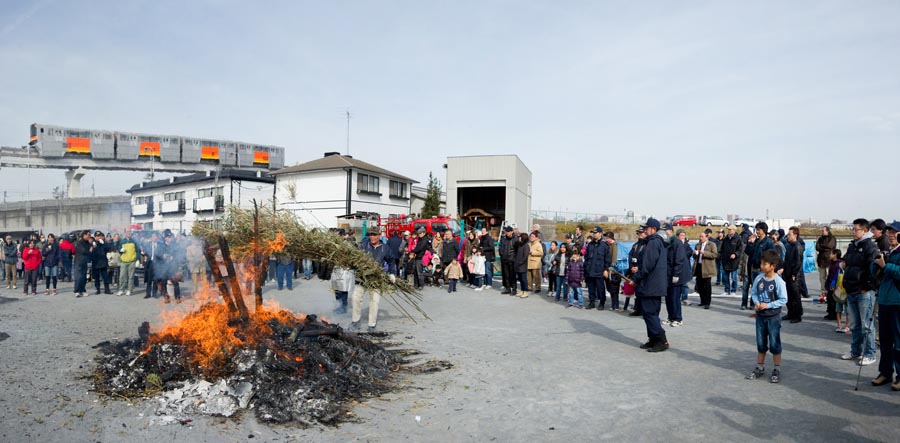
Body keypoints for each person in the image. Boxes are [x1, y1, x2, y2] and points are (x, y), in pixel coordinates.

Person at [840, 218, 880, 367]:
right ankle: (855, 350)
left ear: (865, 231)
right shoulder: (852, 246)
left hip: (863, 292)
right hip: (851, 289)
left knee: (866, 325)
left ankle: (870, 353)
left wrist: (867, 286)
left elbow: (874, 270)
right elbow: (846, 261)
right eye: (853, 229)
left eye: (856, 229)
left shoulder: (870, 246)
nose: (853, 231)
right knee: (855, 324)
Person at [746, 249, 788, 383]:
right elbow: (754, 293)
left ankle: (777, 368)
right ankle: (760, 367)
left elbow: (783, 299)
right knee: (760, 342)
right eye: (761, 264)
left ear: (773, 266)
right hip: (760, 317)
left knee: (775, 343)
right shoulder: (759, 278)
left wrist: (768, 305)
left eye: (765, 264)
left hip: (773, 317)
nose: (762, 266)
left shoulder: (779, 282)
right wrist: (757, 303)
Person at [632, 218, 669, 352]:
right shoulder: (657, 242)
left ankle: (661, 340)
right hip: (654, 284)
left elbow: (647, 265)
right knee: (651, 313)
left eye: (647, 228)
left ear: (653, 229)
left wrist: (636, 277)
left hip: (651, 285)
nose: (645, 230)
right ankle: (653, 339)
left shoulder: (653, 243)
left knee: (649, 313)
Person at [871, 221, 900, 390]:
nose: (890, 235)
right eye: (889, 232)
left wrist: (885, 265)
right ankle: (885, 372)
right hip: (884, 300)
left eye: (894, 232)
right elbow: (873, 272)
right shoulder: (886, 251)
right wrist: (875, 262)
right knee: (885, 340)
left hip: (897, 302)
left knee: (899, 340)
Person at [352, 228, 389, 332]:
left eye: (374, 234)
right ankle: (355, 321)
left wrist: (392, 274)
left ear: (379, 235)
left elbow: (391, 261)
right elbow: (354, 259)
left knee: (374, 302)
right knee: (356, 298)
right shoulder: (363, 246)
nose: (372, 237)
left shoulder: (385, 248)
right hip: (362, 278)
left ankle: (371, 325)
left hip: (376, 279)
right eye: (370, 235)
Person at [743, 222, 774, 310]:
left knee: (763, 289)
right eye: (756, 230)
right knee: (755, 288)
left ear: (763, 231)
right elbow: (748, 252)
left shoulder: (768, 242)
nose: (757, 232)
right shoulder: (756, 241)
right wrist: (750, 243)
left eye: (759, 230)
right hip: (754, 268)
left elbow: (772, 256)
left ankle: (764, 306)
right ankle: (755, 305)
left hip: (763, 270)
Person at [665, 226, 689, 327]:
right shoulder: (667, 242)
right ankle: (670, 317)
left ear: (670, 231)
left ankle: (678, 318)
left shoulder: (677, 243)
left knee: (675, 298)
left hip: (677, 275)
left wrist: (676, 274)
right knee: (668, 298)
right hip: (668, 274)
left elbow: (679, 260)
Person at [781, 227, 805, 323]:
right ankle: (790, 313)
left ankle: (797, 315)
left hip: (794, 275)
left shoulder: (797, 246)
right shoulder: (788, 245)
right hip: (787, 273)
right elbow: (786, 260)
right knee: (788, 295)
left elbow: (798, 262)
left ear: (795, 235)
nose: (788, 236)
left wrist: (794, 273)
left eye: (789, 234)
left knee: (795, 296)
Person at [584, 227, 611, 310]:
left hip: (599, 270)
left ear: (600, 233)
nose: (594, 234)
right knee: (591, 287)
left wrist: (606, 270)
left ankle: (602, 302)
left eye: (596, 233)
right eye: (593, 233)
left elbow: (607, 259)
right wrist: (586, 268)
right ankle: (592, 302)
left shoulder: (604, 245)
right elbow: (586, 257)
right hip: (590, 269)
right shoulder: (590, 244)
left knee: (600, 288)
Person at [693, 231, 718, 309]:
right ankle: (702, 301)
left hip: (707, 268)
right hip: (699, 266)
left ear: (707, 237)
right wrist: (695, 254)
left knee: (707, 286)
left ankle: (707, 302)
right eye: (700, 237)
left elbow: (714, 255)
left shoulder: (711, 244)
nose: (701, 238)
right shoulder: (698, 245)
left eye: (702, 237)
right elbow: (694, 256)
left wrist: (704, 253)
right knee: (699, 285)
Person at [627, 227, 647, 316]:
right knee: (637, 292)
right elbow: (630, 256)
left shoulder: (648, 245)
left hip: (643, 271)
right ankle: (638, 309)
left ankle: (644, 310)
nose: (639, 235)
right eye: (638, 233)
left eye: (641, 233)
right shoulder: (635, 245)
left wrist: (638, 268)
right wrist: (632, 267)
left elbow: (647, 260)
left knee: (644, 292)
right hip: (634, 270)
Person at [816, 226, 837, 309]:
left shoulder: (832, 238)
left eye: (823, 231)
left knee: (830, 277)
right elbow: (817, 247)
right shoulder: (820, 238)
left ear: (827, 231)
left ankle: (830, 291)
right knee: (822, 277)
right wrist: (823, 248)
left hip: (829, 261)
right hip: (821, 261)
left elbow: (830, 246)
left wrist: (822, 247)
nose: (822, 232)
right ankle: (823, 292)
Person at [720, 226, 743, 295]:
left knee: (734, 277)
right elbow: (722, 249)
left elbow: (740, 249)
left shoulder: (738, 239)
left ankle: (733, 290)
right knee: (725, 276)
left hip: (734, 262)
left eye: (730, 229)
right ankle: (727, 290)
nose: (729, 231)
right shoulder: (726, 239)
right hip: (726, 260)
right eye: (728, 229)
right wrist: (722, 256)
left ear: (734, 230)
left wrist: (735, 254)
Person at [116, 229, 140, 296]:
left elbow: (138, 251)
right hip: (124, 261)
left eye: (130, 232)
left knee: (131, 276)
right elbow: (118, 249)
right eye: (127, 232)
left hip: (132, 261)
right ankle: (121, 290)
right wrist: (120, 250)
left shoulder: (134, 241)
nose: (129, 233)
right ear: (125, 233)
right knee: (122, 276)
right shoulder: (122, 241)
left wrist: (138, 259)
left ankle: (129, 290)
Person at [73, 230, 92, 297]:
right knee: (79, 276)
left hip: (85, 262)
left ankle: (83, 290)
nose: (89, 236)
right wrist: (89, 251)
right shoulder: (79, 243)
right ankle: (77, 291)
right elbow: (83, 251)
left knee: (84, 277)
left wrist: (91, 247)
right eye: (88, 235)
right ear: (84, 235)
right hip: (79, 261)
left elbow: (91, 251)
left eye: (89, 235)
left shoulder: (88, 243)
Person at [499, 226, 517, 296]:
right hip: (504, 258)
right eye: (506, 231)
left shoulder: (515, 239)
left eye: (508, 231)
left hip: (512, 259)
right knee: (506, 275)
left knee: (512, 275)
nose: (507, 233)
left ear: (512, 231)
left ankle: (514, 289)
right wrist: (502, 254)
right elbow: (500, 247)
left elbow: (517, 249)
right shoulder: (503, 238)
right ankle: (508, 288)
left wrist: (514, 257)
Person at [514, 233, 530, 297]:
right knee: (520, 279)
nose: (519, 238)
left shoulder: (526, 246)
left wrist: (520, 262)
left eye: (520, 237)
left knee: (524, 279)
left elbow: (525, 256)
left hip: (522, 265)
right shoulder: (519, 245)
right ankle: (522, 290)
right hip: (517, 264)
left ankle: (525, 291)